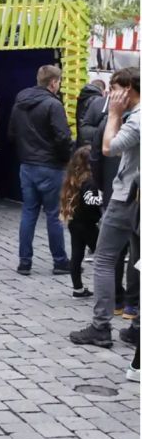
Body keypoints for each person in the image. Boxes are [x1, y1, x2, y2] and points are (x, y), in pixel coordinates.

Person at [70, 67, 140, 348]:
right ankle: (136, 327)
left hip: (127, 197)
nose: (109, 95)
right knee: (137, 261)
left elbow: (109, 148)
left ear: (128, 90)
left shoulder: (134, 119)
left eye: (114, 89)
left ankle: (101, 326)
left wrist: (113, 115)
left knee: (104, 259)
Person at [8, 65, 73, 275]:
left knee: (29, 212)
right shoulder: (53, 105)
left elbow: (12, 133)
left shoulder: (20, 103)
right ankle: (60, 261)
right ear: (53, 82)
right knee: (53, 215)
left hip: (27, 165)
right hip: (51, 166)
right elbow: (63, 137)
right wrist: (65, 159)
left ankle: (24, 262)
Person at [59, 146, 102, 298]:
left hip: (74, 222)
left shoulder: (73, 178)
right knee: (104, 256)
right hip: (88, 224)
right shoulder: (89, 181)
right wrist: (103, 198)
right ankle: (109, 289)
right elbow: (90, 200)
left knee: (77, 255)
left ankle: (77, 288)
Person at [75, 79, 106, 145]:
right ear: (102, 90)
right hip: (90, 141)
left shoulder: (83, 96)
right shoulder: (96, 100)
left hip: (81, 138)